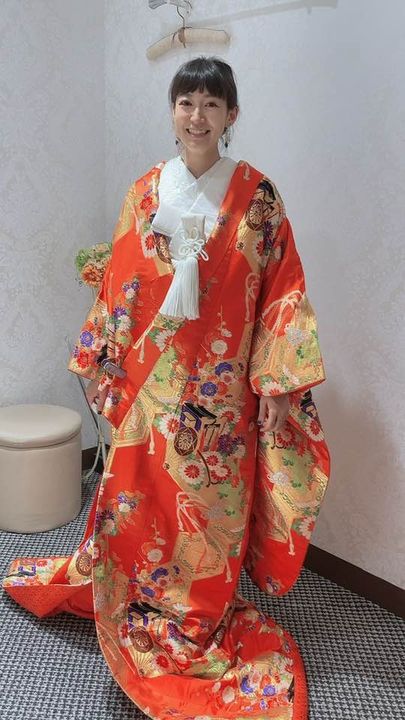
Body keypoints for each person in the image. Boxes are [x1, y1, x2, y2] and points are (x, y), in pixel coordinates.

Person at [3, 57, 330, 720]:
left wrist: (275, 384)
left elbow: (282, 291)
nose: (197, 116)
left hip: (223, 394)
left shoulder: (258, 197)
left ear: (231, 114)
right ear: (172, 110)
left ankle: (197, 618)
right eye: (186, 102)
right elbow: (122, 283)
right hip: (151, 385)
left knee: (211, 512)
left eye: (211, 103)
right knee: (138, 503)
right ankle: (137, 599)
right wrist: (103, 363)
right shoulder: (146, 191)